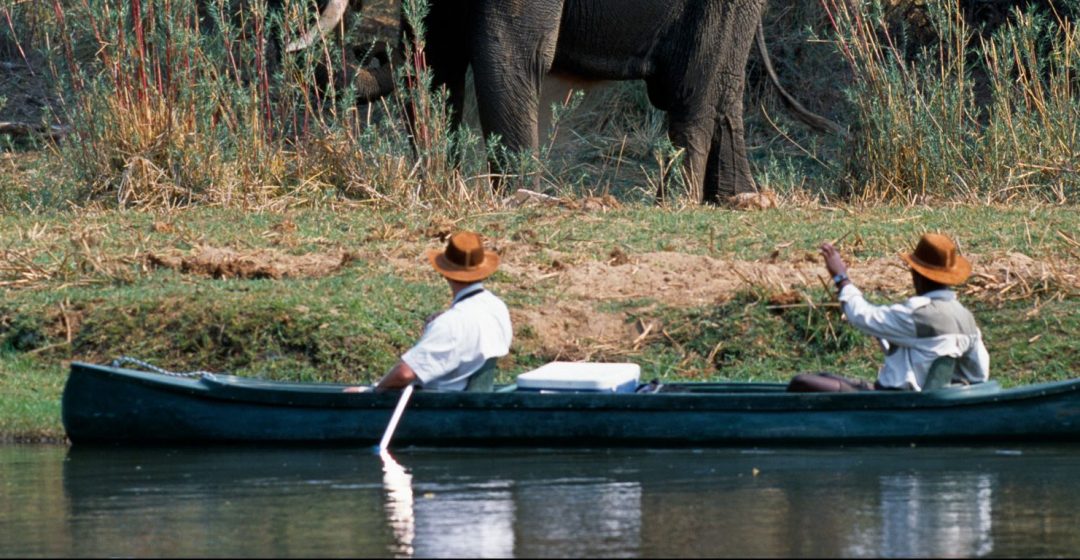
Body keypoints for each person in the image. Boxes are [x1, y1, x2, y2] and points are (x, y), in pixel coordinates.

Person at [788, 233, 989, 392]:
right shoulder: (966, 318)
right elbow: (979, 373)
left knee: (802, 382)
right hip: (928, 397)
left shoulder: (917, 314)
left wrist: (841, 278)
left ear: (917, 275)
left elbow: (861, 315)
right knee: (824, 378)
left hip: (897, 398)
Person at [345, 231, 512, 392]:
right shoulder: (497, 307)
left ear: (445, 273)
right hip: (472, 405)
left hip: (439, 407)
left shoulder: (451, 324)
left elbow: (404, 374)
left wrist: (371, 392)